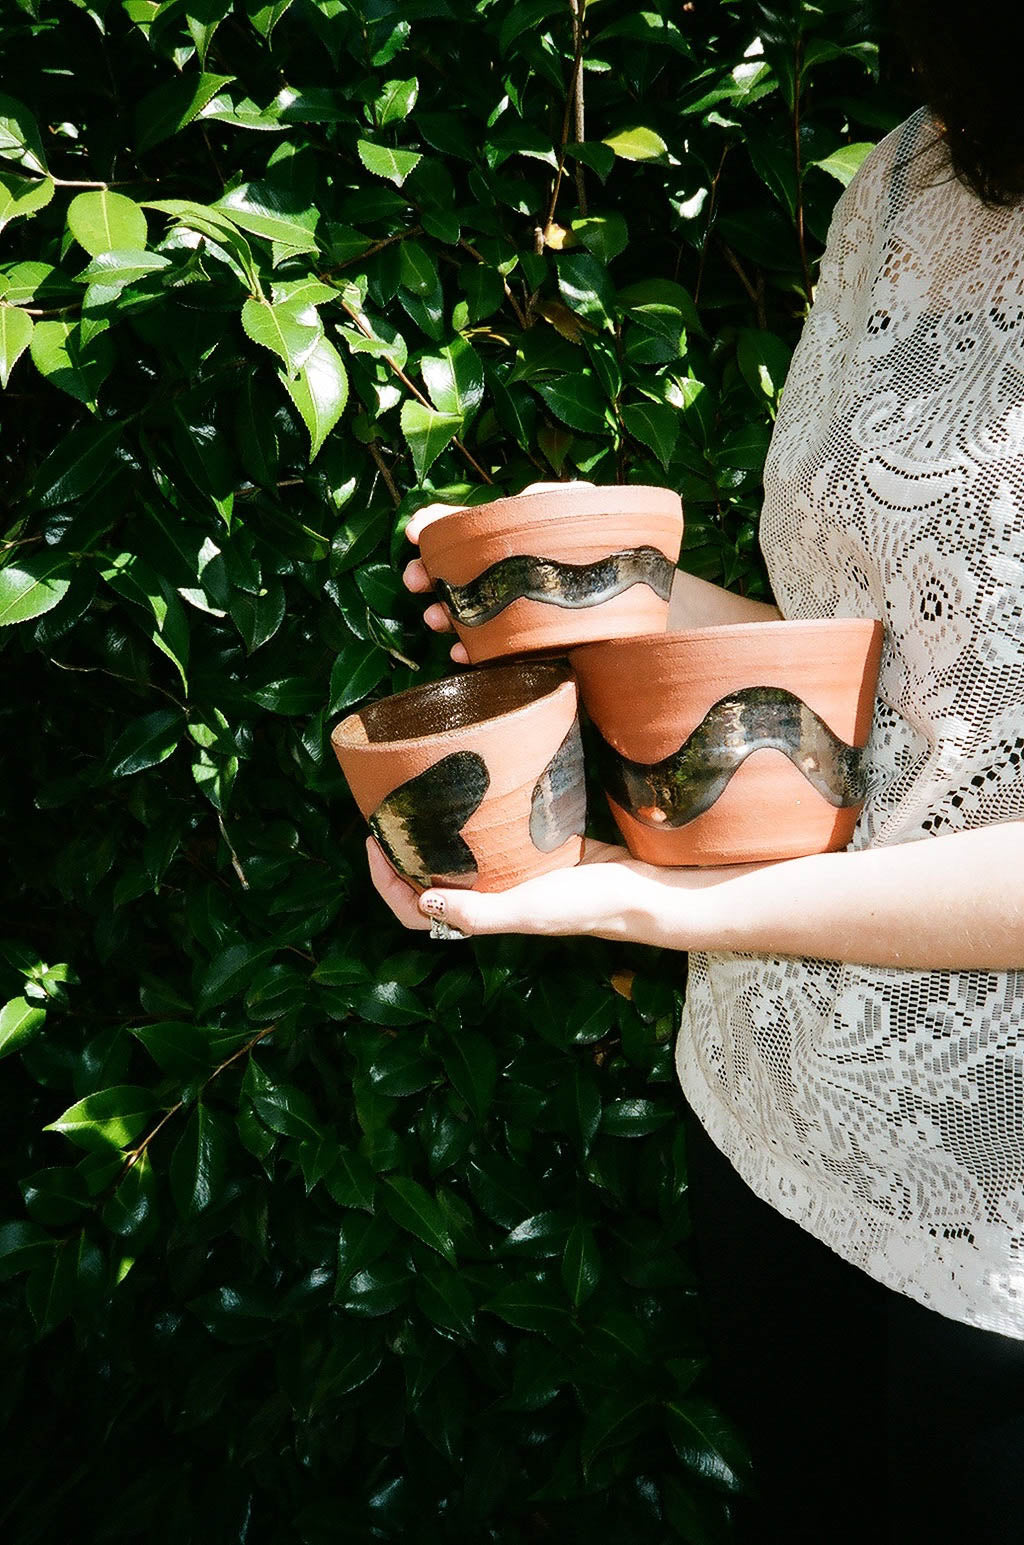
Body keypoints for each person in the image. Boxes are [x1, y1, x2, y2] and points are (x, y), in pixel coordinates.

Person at [368, 5, 1024, 1538]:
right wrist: (610, 581)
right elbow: (864, 657)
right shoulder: (918, 176)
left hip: (999, 1245)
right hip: (777, 1117)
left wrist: (651, 902)